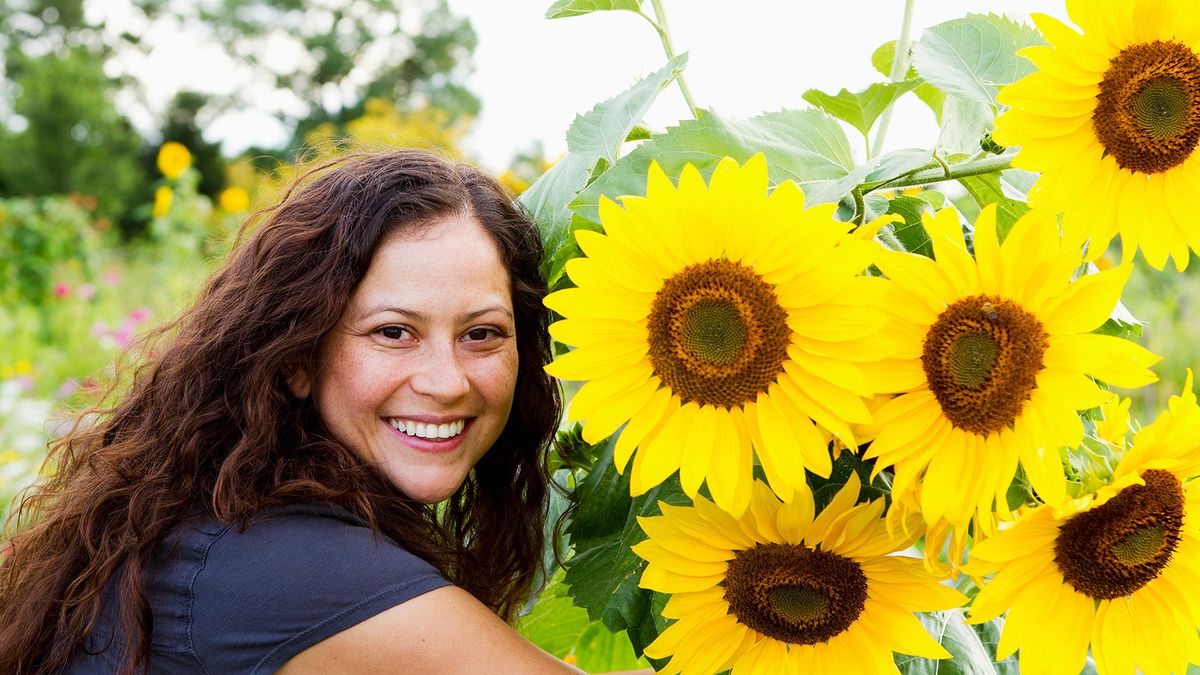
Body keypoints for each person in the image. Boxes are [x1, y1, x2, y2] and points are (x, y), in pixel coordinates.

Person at [0, 150, 633, 673]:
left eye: (482, 334)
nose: (446, 382)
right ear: (299, 356)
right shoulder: (287, 567)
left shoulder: (228, 513)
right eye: (393, 332)